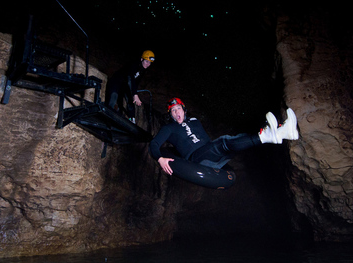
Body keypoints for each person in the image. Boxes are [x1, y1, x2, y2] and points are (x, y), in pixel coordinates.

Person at [150, 97, 299, 175]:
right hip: (196, 159)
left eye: (178, 109)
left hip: (211, 155)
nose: (177, 113)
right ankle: (268, 136)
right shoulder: (168, 128)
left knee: (234, 138)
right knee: (223, 142)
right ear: (170, 114)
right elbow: (154, 144)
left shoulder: (194, 121)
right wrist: (160, 158)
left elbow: (205, 139)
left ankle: (283, 132)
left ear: (184, 109)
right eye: (173, 111)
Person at [105, 50, 155, 121]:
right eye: (147, 61)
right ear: (141, 59)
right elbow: (130, 78)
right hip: (116, 81)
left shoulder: (142, 70)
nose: (148, 64)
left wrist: (134, 94)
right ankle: (107, 114)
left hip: (124, 85)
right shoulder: (134, 64)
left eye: (150, 62)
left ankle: (132, 119)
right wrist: (135, 94)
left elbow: (136, 82)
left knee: (130, 100)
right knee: (114, 96)